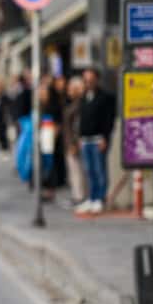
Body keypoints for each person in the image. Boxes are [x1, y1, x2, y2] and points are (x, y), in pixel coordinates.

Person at [76, 68, 116, 214]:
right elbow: (81, 119)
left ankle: (100, 198)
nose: (88, 82)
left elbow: (109, 120)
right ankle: (92, 198)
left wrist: (105, 137)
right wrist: (80, 137)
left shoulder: (105, 97)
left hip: (98, 139)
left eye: (91, 79)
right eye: (86, 80)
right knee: (89, 171)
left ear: (97, 80)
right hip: (85, 140)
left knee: (100, 170)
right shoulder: (83, 97)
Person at [62, 75, 87, 206]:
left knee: (78, 171)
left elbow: (76, 126)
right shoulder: (73, 104)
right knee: (74, 170)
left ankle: (80, 196)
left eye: (71, 89)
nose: (69, 91)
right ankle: (77, 195)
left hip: (74, 143)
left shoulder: (79, 106)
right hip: (70, 142)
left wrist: (73, 143)